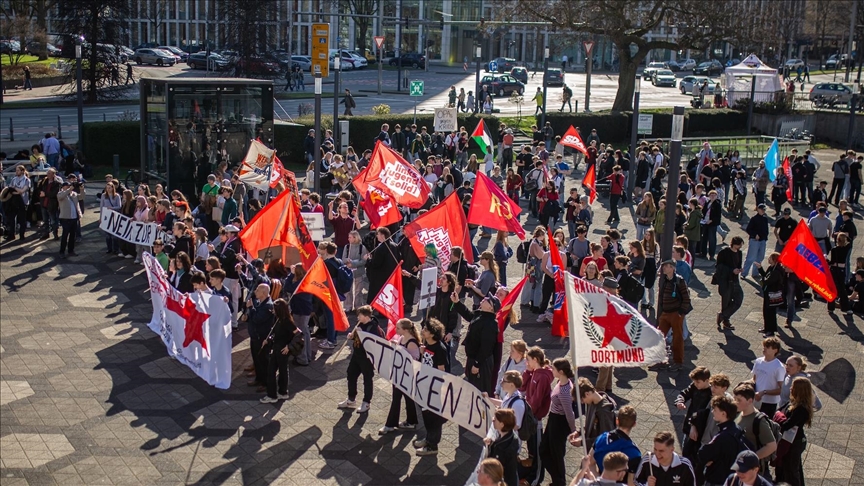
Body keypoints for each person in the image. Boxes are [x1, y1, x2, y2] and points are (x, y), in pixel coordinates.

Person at [451, 290, 499, 396]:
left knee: (480, 391)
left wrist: (477, 364)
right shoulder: (481, 314)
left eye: (488, 300)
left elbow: (486, 348)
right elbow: (468, 315)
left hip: (481, 362)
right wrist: (457, 302)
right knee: (472, 388)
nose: (485, 299)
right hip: (473, 358)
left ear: (491, 308)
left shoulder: (490, 324)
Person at [518, 347, 554, 485]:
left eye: (528, 360)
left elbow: (537, 400)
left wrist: (527, 413)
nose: (526, 362)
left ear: (535, 360)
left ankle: (535, 478)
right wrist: (527, 371)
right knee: (532, 448)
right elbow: (522, 387)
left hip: (534, 419)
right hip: (529, 417)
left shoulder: (543, 377)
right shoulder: (534, 372)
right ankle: (529, 474)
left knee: (537, 451)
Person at [338, 306, 383, 414]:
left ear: (366, 316)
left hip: (366, 358)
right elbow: (356, 337)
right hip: (357, 355)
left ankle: (366, 402)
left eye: (360, 315)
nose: (358, 317)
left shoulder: (373, 328)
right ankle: (351, 398)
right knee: (351, 374)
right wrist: (352, 336)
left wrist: (362, 334)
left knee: (367, 379)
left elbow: (373, 343)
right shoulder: (360, 324)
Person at [539, 358, 577, 486]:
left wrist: (573, 431)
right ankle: (558, 480)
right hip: (553, 419)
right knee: (544, 450)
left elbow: (569, 413)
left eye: (553, 369)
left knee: (556, 454)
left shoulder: (565, 392)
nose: (551, 370)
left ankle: (559, 482)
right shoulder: (561, 381)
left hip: (559, 423)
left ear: (560, 371)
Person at [379, 319, 420, 435]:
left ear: (405, 330)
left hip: (405, 375)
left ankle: (390, 425)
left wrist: (400, 349)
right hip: (401, 373)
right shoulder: (402, 338)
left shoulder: (411, 342)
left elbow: (414, 359)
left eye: (398, 328)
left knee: (397, 399)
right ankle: (411, 421)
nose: (396, 330)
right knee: (407, 398)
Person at [415, 318, 448, 456]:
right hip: (425, 385)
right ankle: (428, 438)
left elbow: (441, 370)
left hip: (434, 388)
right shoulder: (426, 345)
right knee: (426, 414)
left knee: (434, 417)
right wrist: (423, 354)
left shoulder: (440, 349)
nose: (422, 330)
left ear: (433, 334)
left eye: (426, 329)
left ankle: (433, 445)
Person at [698, 395, 745, 486]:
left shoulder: (722, 437)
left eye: (715, 410)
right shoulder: (736, 429)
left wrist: (708, 460)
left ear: (724, 414)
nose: (712, 412)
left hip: (717, 480)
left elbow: (702, 454)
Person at [732, 383, 778, 476]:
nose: (735, 402)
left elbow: (771, 446)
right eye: (734, 399)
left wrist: (750, 459)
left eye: (739, 400)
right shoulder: (738, 415)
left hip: (753, 471)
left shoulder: (759, 421)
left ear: (749, 401)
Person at [775, 377, 814, 485]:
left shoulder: (801, 409)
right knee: (795, 468)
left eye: (793, 386)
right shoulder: (793, 402)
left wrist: (778, 420)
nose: (791, 388)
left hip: (794, 442)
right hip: (791, 439)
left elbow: (787, 424)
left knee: (791, 470)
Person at [654, 260, 691, 371]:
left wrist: (680, 313)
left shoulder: (679, 281)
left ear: (672, 268)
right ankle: (660, 360)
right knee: (659, 336)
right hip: (666, 312)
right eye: (664, 266)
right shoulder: (665, 280)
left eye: (666, 266)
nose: (664, 268)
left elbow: (686, 298)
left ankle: (678, 362)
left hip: (675, 313)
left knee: (677, 339)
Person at [259, 298, 296, 404]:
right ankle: (282, 392)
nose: (272, 310)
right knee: (281, 371)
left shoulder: (287, 321)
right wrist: (269, 340)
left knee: (273, 371)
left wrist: (289, 347)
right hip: (277, 348)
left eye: (274, 309)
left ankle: (272, 395)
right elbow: (276, 334)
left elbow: (299, 335)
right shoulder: (278, 319)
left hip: (282, 350)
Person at [568, 378, 616, 449]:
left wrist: (583, 443)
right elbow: (590, 425)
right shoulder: (591, 402)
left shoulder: (604, 412)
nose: (582, 402)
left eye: (582, 399)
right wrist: (579, 432)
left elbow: (605, 438)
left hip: (600, 453)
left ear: (587, 394)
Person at [592, 405, 642, 474]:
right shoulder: (633, 451)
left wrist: (598, 480)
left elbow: (590, 462)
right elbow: (631, 481)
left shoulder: (601, 439)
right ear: (634, 424)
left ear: (617, 421)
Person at [715, 236, 744, 331]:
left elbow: (738, 264)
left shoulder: (739, 253)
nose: (740, 247)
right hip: (726, 281)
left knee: (738, 299)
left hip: (735, 280)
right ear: (734, 244)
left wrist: (739, 270)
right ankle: (726, 321)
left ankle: (722, 316)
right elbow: (719, 266)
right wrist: (732, 270)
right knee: (726, 302)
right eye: (739, 245)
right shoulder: (724, 252)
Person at [484, 409, 520, 486]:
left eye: (495, 419)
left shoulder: (502, 448)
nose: (493, 419)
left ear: (502, 424)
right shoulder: (511, 436)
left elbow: (493, 468)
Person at [754, 253, 785, 337]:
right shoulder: (771, 267)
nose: (768, 259)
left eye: (770, 258)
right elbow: (765, 275)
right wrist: (760, 268)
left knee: (770, 313)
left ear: (774, 260)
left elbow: (768, 281)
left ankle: (770, 331)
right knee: (766, 311)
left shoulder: (776, 271)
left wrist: (763, 281)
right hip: (768, 294)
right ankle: (766, 328)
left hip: (772, 295)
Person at [741, 204, 770, 278]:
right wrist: (754, 235)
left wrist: (765, 237)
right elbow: (748, 229)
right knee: (751, 257)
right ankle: (744, 273)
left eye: (764, 209)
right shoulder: (754, 219)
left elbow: (766, 230)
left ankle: (755, 273)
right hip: (755, 240)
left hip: (762, 240)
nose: (763, 211)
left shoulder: (765, 219)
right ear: (758, 209)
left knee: (760, 257)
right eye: (761, 209)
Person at [57, 181, 81, 258]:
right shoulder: (60, 193)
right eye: (67, 186)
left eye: (69, 186)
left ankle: (71, 250)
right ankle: (62, 252)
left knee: (72, 235)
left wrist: (82, 189)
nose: (69, 187)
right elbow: (61, 197)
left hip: (74, 218)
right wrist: (68, 190)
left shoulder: (74, 194)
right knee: (65, 235)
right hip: (65, 218)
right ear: (63, 187)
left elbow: (81, 197)